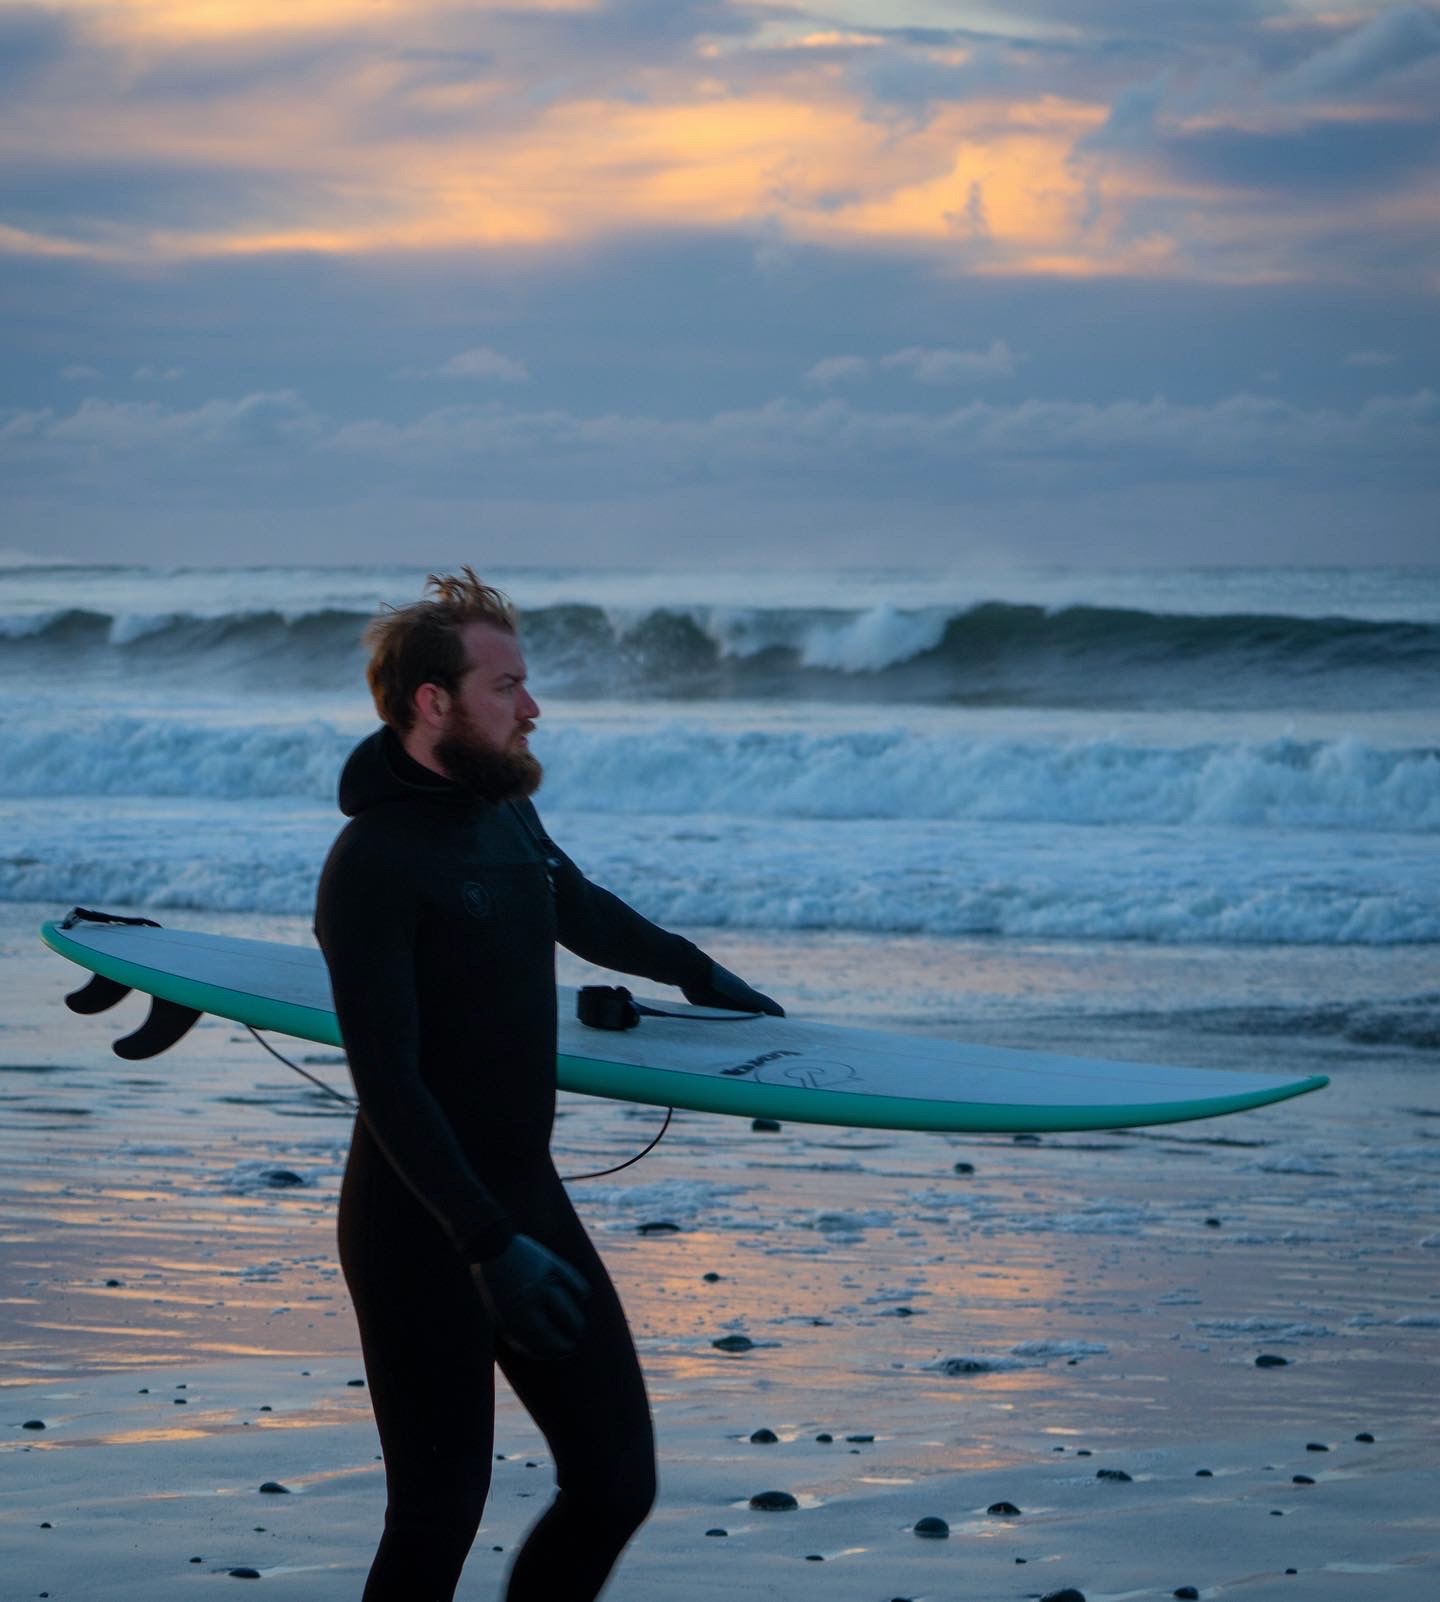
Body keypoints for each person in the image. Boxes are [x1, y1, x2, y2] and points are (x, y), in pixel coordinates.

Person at [314, 569, 782, 1602]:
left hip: (524, 1196)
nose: (533, 708)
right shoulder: (373, 864)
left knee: (617, 1482)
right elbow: (387, 1081)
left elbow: (575, 903)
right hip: (422, 1221)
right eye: (507, 687)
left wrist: (693, 969)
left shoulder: (504, 814)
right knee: (436, 1516)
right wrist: (487, 1245)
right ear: (433, 702)